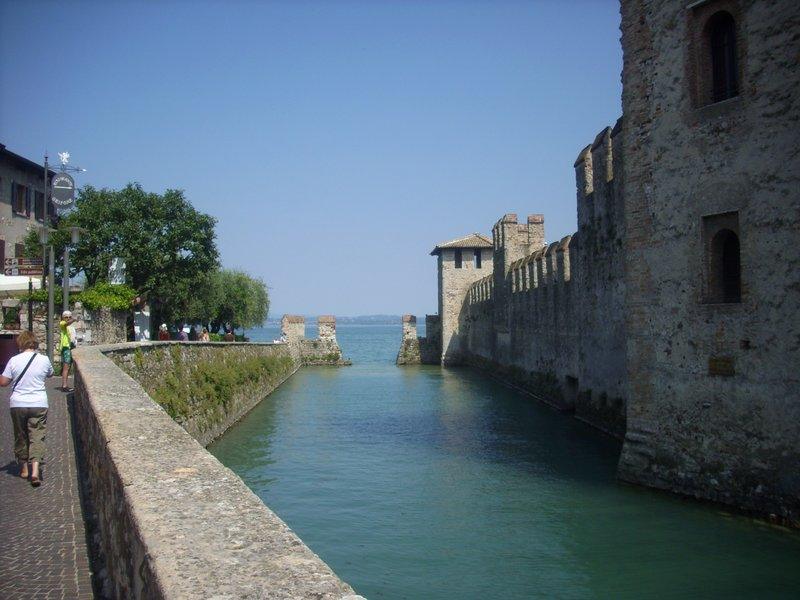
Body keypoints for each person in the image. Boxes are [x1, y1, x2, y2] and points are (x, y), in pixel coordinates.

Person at [0, 331, 54, 487]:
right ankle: (35, 471)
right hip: (39, 403)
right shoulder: (44, 360)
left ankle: (24, 468)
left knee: (21, 435)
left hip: (18, 403)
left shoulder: (14, 360)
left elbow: (4, 382)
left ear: (20, 343)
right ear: (35, 343)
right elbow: (50, 374)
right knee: (37, 436)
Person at [59, 310, 76, 392]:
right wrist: (73, 319)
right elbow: (66, 324)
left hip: (71, 347)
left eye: (70, 317)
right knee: (66, 367)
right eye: (66, 317)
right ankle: (64, 386)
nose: (68, 319)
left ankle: (66, 385)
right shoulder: (62, 323)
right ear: (63, 318)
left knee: (69, 367)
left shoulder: (71, 327)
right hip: (66, 347)